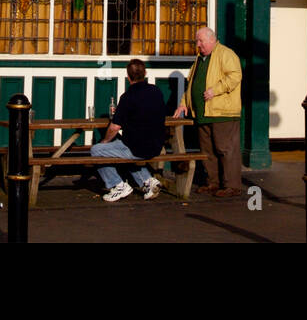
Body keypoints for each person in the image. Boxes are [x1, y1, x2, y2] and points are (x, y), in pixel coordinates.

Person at [175, 26, 243, 196]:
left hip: (222, 113)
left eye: (201, 41)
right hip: (203, 113)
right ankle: (213, 183)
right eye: (197, 41)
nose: (198, 45)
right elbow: (192, 85)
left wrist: (215, 90)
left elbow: (235, 76)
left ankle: (232, 186)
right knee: (207, 151)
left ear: (212, 40)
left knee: (226, 149)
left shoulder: (226, 54)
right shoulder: (199, 59)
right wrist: (184, 103)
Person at [91, 59, 167, 202]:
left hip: (136, 148)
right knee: (125, 146)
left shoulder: (127, 97)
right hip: (156, 145)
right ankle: (147, 181)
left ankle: (118, 185)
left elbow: (114, 127)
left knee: (96, 150)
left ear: (128, 77)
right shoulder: (156, 91)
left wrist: (104, 141)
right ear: (145, 73)